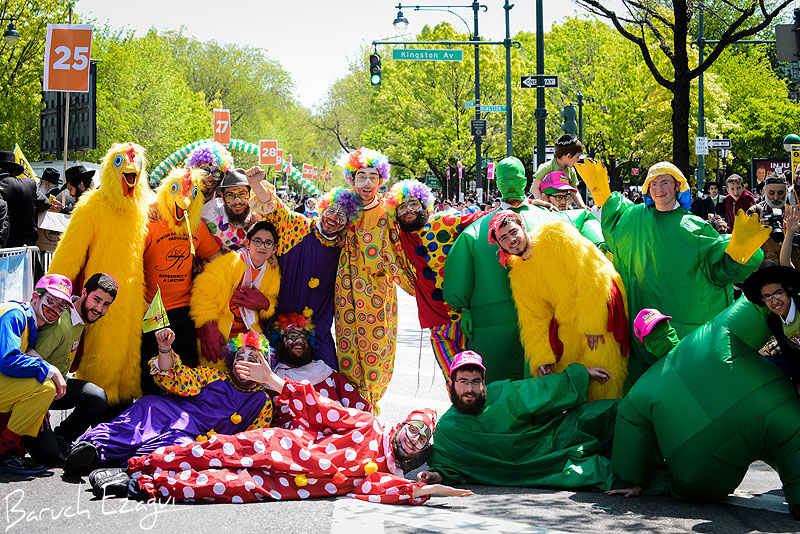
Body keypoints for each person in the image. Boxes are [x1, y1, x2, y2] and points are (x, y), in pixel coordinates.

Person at [114, 356, 471, 505]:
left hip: (287, 485)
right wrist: (273, 380)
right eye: (413, 430)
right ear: (403, 424)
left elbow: (377, 490)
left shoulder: (383, 472)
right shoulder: (368, 424)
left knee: (222, 485)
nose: (413, 440)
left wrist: (429, 490)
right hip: (282, 447)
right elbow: (321, 408)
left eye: (420, 440)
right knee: (216, 451)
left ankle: (142, 485)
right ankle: (143, 464)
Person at [579, 159, 768, 387]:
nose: (659, 189)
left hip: (679, 334)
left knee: (679, 386)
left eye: (665, 183)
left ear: (677, 186)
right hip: (638, 330)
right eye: (654, 183)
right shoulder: (634, 218)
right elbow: (614, 226)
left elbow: (722, 268)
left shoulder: (693, 227)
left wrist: (742, 248)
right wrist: (600, 191)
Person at [609, 305, 800, 518]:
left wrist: (634, 482)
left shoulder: (640, 391)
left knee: (692, 481)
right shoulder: (713, 332)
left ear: (644, 342)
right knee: (792, 437)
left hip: (706, 468)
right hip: (770, 410)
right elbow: (756, 306)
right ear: (669, 326)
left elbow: (630, 431)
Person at [444, 156, 605, 384]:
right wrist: (601, 245)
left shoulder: (475, 231)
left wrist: (464, 308)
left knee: (500, 392)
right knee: (547, 389)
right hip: (546, 322)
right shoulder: (552, 218)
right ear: (525, 181)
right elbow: (586, 220)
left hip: (499, 326)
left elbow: (455, 286)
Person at [63, 329, 274, 484]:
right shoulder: (213, 376)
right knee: (147, 408)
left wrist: (214, 447)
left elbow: (248, 442)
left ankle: (124, 470)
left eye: (252, 359)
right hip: (171, 413)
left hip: (195, 440)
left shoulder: (262, 403)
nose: (243, 362)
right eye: (239, 357)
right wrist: (165, 349)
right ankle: (91, 449)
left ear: (263, 366)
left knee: (179, 451)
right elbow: (177, 378)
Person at [418, 351, 620, 491]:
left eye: (475, 382)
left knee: (610, 413)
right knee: (600, 472)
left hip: (552, 437)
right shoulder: (448, 428)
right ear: (452, 383)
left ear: (483, 383)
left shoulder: (501, 393)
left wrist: (581, 375)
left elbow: (541, 391)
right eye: (463, 382)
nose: (469, 389)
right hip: (544, 467)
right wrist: (438, 476)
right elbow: (452, 466)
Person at [47, 143, 152, 407]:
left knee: (127, 368)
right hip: (100, 301)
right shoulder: (92, 205)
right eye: (120, 163)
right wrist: (50, 295)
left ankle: (119, 417)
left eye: (137, 166)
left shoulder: (140, 211)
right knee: (101, 365)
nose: (131, 171)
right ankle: (94, 413)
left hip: (131, 306)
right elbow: (68, 254)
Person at [487, 210, 629, 400]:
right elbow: (533, 319)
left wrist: (593, 324)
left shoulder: (557, 235)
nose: (511, 240)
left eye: (513, 232)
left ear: (523, 227)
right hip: (568, 322)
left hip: (600, 305)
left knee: (605, 379)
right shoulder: (518, 274)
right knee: (568, 379)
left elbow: (593, 275)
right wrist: (542, 358)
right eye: (503, 238)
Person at [246, 174, 362, 371]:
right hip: (278, 317)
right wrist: (256, 183)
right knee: (266, 367)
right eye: (331, 211)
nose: (334, 218)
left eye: (341, 217)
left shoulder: (344, 247)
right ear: (322, 208)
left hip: (317, 327)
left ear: (347, 224)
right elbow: (275, 209)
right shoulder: (298, 226)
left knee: (332, 373)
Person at [334, 147, 416, 410]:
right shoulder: (343, 210)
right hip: (345, 288)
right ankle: (353, 405)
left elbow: (405, 246)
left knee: (376, 347)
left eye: (373, 176)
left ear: (381, 180)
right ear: (352, 179)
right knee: (347, 345)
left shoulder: (389, 212)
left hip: (377, 292)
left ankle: (370, 401)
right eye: (361, 176)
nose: (367, 183)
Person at [385, 179, 487, 385]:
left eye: (413, 203)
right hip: (438, 327)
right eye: (402, 207)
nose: (408, 210)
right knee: (455, 383)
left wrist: (525, 204)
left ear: (425, 204)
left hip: (469, 319)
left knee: (480, 381)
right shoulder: (399, 236)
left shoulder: (444, 221)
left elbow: (486, 218)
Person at [140, 167, 221, 394]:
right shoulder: (150, 223)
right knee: (152, 373)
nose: (185, 201)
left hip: (183, 310)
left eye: (193, 193)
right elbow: (131, 265)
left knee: (186, 372)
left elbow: (218, 260)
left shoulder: (197, 227)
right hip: (150, 308)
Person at [23, 273, 117, 465]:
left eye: (106, 304)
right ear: (84, 293)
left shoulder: (79, 315)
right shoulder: (60, 323)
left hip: (55, 388)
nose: (99, 309)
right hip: (31, 392)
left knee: (97, 397)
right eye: (96, 300)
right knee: (48, 456)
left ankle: (62, 438)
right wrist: (38, 404)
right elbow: (29, 358)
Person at [0, 274, 71, 474]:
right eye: (51, 301)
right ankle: (5, 452)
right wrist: (48, 369)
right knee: (46, 387)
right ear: (35, 297)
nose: (55, 309)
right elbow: (7, 360)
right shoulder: (14, 314)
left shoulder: (29, 323)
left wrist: (37, 407)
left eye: (61, 306)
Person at [191, 221, 280, 368]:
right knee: (216, 376)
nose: (262, 247)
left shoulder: (271, 271)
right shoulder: (230, 262)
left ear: (274, 249)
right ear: (247, 243)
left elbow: (271, 301)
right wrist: (209, 327)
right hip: (220, 334)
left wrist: (265, 304)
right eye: (257, 241)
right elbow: (203, 292)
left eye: (268, 243)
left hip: (248, 337)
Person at [268, 312, 370, 428]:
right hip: (297, 434)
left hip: (335, 429)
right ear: (279, 343)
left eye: (303, 337)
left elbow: (360, 406)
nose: (299, 341)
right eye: (292, 336)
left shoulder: (323, 371)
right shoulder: (273, 378)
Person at [742, 260, 800, 393]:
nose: (774, 302)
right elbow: (790, 355)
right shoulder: (773, 321)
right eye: (767, 297)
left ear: (788, 290)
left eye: (778, 293)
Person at [748, 173, 800, 268]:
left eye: (780, 193)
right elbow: (741, 244)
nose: (776, 198)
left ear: (786, 192)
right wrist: (754, 231)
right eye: (771, 193)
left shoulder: (794, 214)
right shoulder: (755, 212)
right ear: (765, 190)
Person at [203, 168, 262, 252]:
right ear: (223, 196)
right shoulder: (210, 212)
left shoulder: (259, 215)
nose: (237, 201)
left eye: (242, 194)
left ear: (250, 194)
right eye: (230, 195)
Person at [0, 150, 48, 248]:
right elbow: (45, 203)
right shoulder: (29, 184)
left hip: (5, 249)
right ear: (14, 171)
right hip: (27, 248)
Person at [531, 134, 589, 209]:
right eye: (577, 157)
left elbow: (574, 191)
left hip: (561, 206)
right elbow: (535, 188)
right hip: (545, 207)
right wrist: (544, 205)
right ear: (569, 156)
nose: (578, 160)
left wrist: (582, 207)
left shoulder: (571, 170)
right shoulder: (546, 167)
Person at [184, 141, 235, 220]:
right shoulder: (183, 198)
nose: (210, 178)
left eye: (216, 173)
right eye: (204, 172)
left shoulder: (226, 204)